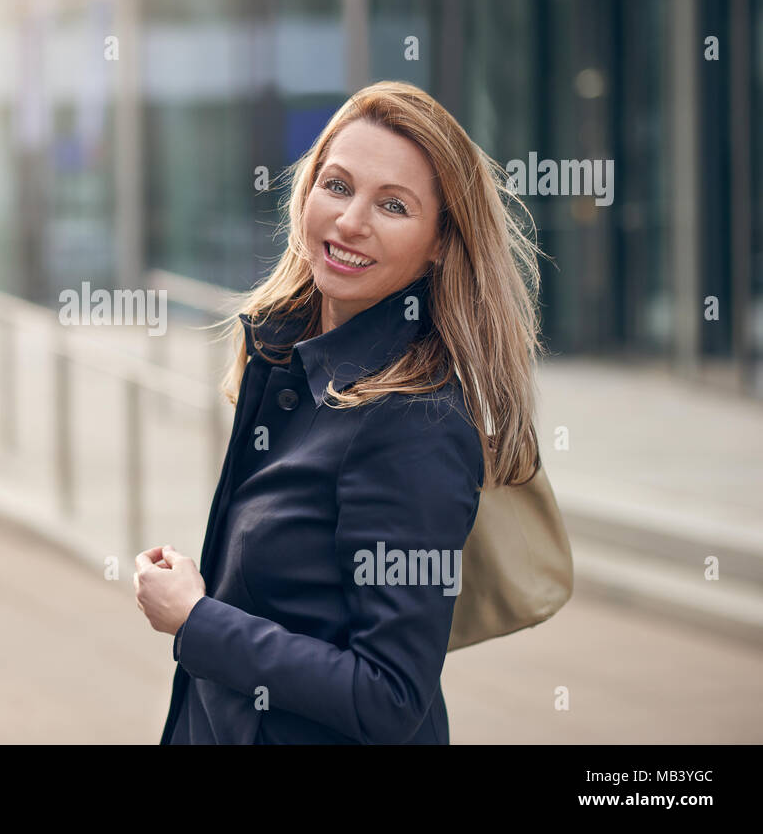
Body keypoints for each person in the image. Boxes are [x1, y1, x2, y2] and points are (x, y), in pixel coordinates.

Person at [134, 80, 545, 744]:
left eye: (393, 204)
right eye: (337, 184)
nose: (351, 220)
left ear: (440, 241)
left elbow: (390, 696)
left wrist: (195, 619)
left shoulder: (414, 424)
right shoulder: (288, 363)